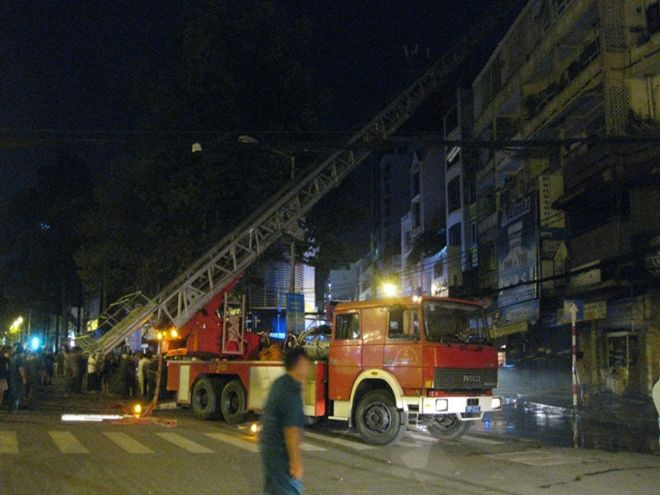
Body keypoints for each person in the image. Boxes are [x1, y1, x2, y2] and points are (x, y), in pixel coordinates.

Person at [259, 347, 311, 495]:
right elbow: (291, 430)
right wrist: (295, 461)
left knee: (274, 490)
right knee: (287, 490)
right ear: (299, 363)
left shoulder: (280, 383)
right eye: (306, 363)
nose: (308, 367)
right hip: (280, 452)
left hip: (270, 448)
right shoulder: (290, 390)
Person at [7, 345, 27, 414]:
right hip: (17, 379)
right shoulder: (19, 358)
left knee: (12, 393)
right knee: (16, 394)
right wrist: (23, 378)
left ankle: (10, 407)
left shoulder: (13, 358)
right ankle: (13, 409)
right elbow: (21, 368)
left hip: (12, 377)